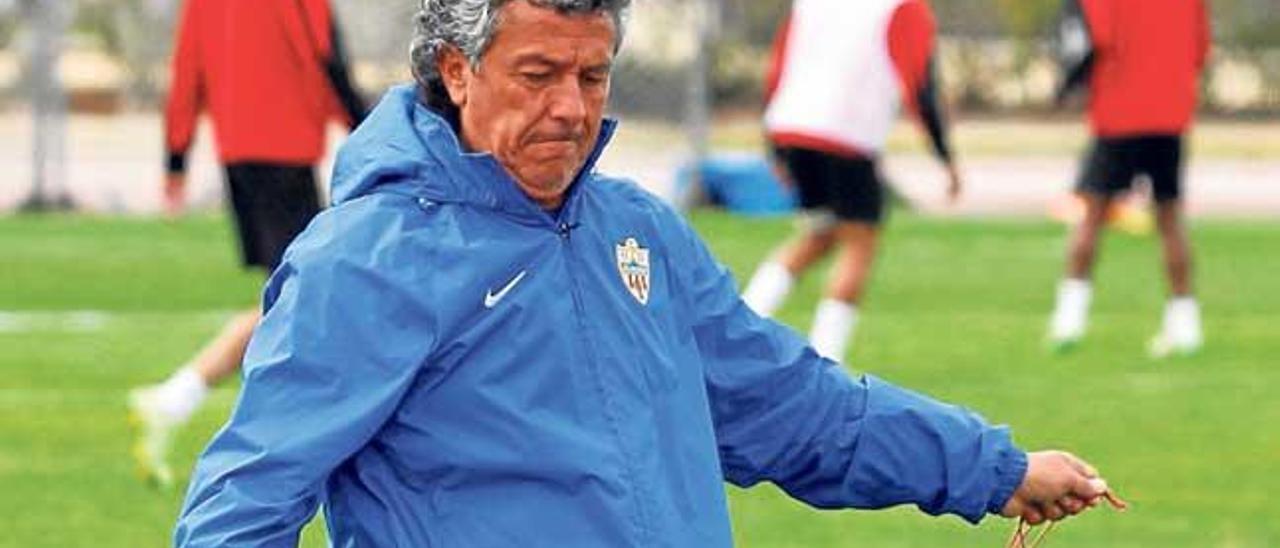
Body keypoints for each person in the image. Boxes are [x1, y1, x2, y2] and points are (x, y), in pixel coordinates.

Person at [174, 1, 1112, 545]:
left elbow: (795, 410)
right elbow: (241, 505)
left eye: (592, 77)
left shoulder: (639, 234)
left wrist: (992, 467)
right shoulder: (362, 263)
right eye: (538, 75)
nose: (570, 109)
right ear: (457, 70)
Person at [127, 0, 367, 488]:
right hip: (286, 148)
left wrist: (175, 159)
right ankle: (188, 401)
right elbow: (327, 57)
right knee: (304, 298)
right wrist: (373, 134)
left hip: (238, 152)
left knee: (297, 299)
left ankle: (181, 397)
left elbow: (187, 68)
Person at [741, 0, 962, 362]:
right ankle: (827, 360)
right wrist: (945, 157)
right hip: (847, 135)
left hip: (792, 127)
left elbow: (778, 67)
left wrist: (775, 148)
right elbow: (919, 85)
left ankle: (741, 326)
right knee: (860, 242)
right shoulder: (903, 7)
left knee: (820, 235)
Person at [1046, 0, 1210, 357]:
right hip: (1169, 111)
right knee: (1170, 217)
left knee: (1092, 215)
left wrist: (1068, 85)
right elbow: (1199, 50)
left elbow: (1092, 37)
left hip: (1118, 111)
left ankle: (1068, 319)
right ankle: (1185, 324)